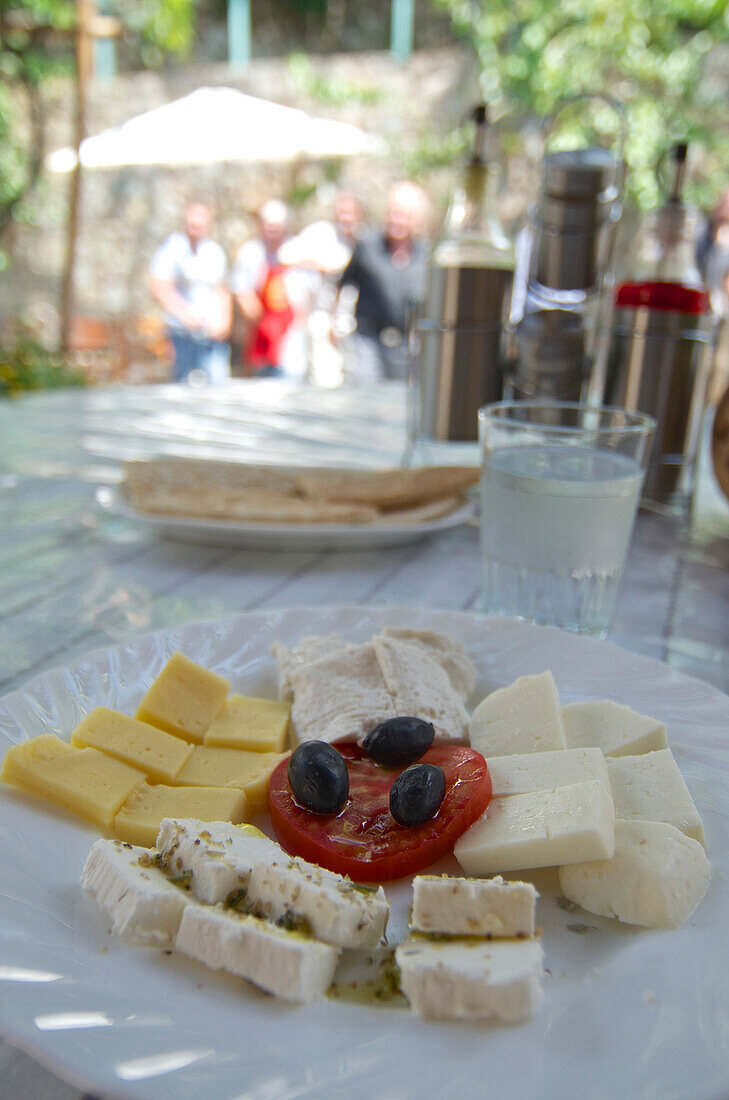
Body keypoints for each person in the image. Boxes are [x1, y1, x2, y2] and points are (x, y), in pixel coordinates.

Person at [338, 181, 430, 381]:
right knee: (366, 399)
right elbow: (342, 285)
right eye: (394, 212)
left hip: (407, 346)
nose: (397, 219)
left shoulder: (427, 255)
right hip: (368, 343)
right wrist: (333, 323)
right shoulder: (367, 247)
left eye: (404, 214)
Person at [230, 199, 316, 379]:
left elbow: (309, 288)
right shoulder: (250, 252)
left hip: (291, 327)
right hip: (260, 328)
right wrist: (256, 317)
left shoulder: (297, 249)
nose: (273, 231)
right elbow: (241, 289)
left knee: (292, 376)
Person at [150, 201, 231, 384]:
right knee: (183, 386)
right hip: (182, 333)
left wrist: (224, 321)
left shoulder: (214, 251)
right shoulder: (173, 248)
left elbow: (221, 289)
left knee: (218, 384)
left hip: (210, 334)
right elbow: (161, 286)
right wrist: (184, 315)